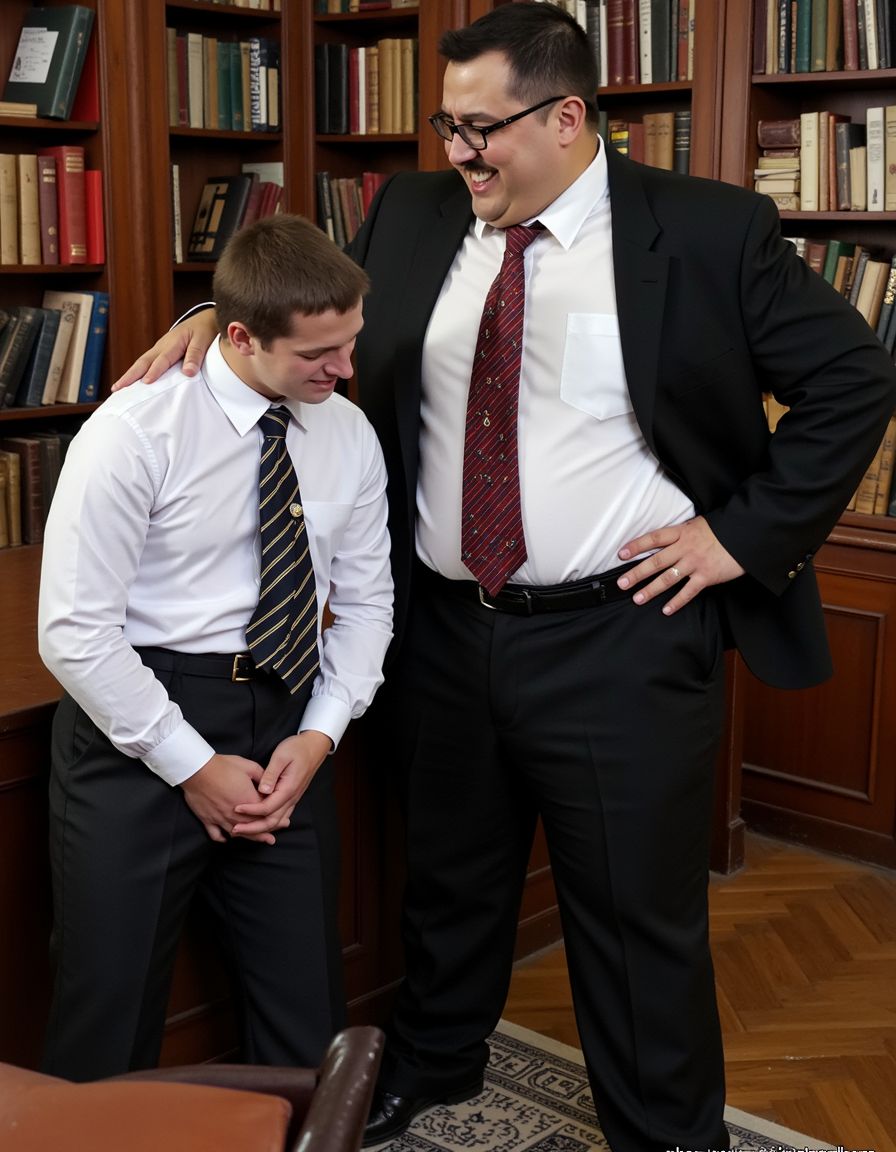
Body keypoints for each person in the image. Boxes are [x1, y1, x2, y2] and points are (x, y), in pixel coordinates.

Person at [111, 4, 896, 1148]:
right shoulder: (412, 215)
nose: (456, 151)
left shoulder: (708, 229)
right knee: (450, 880)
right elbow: (302, 321)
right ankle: (434, 1064)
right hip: (437, 624)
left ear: (567, 116)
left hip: (619, 634)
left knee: (634, 918)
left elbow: (852, 380)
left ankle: (664, 1130)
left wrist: (740, 536)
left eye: (479, 128)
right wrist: (203, 317)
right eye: (445, 124)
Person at [38, 213, 393, 1082]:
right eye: (320, 354)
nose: (345, 371)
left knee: (309, 1017)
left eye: (350, 343)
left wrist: (318, 738)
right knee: (108, 1016)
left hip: (286, 722)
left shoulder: (346, 433)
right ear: (239, 335)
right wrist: (194, 765)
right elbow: (76, 634)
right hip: (140, 724)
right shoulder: (134, 432)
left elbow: (366, 605)